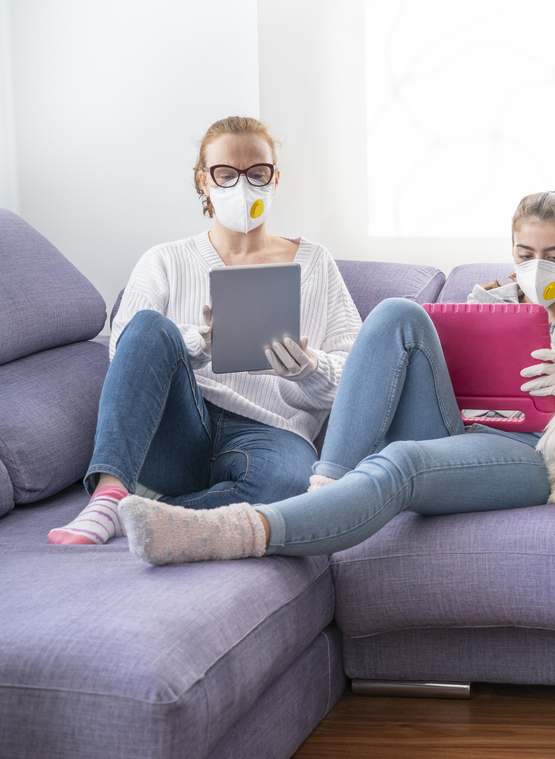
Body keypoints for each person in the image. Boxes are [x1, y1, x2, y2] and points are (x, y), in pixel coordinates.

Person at [116, 191, 555, 563]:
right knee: (394, 312)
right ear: (512, 253)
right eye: (526, 253)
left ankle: (236, 532)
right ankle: (326, 487)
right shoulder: (480, 304)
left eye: (554, 254)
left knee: (400, 462)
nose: (539, 266)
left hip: (531, 454)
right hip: (459, 425)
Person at [49, 116, 361, 546]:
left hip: (271, 434)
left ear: (274, 178)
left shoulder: (315, 263)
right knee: (150, 326)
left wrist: (308, 368)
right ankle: (107, 496)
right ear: (204, 181)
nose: (243, 185)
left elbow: (358, 372)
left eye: (257, 173)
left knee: (288, 488)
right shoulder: (164, 260)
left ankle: (142, 516)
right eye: (226, 174)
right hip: (179, 426)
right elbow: (128, 353)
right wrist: (198, 344)